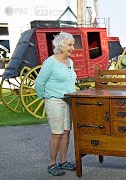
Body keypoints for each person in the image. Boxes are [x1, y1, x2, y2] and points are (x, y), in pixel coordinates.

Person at [35, 32, 77, 176]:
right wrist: (45, 98)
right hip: (54, 101)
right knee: (57, 133)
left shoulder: (70, 62)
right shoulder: (50, 62)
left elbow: (70, 81)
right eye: (70, 45)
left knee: (66, 132)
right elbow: (39, 82)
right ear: (61, 46)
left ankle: (63, 161)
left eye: (73, 44)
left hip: (68, 101)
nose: (73, 47)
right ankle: (52, 163)